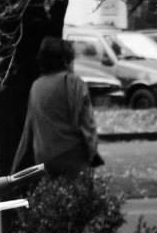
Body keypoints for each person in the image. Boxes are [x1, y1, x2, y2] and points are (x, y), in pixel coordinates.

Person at [12, 35, 102, 177]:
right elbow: (86, 123)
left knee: (52, 196)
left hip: (44, 159)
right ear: (66, 60)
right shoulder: (74, 83)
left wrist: (15, 169)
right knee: (78, 196)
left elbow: (28, 131)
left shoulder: (37, 86)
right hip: (73, 156)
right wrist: (92, 153)